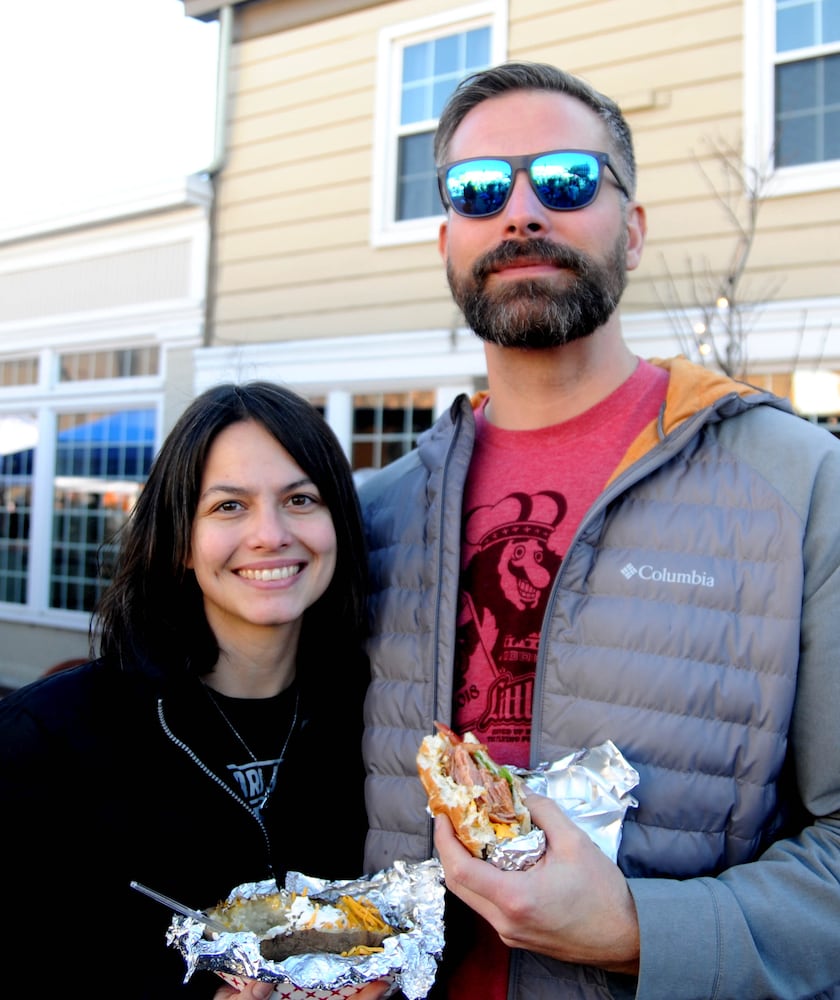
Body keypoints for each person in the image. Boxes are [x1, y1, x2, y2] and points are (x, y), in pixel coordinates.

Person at [357, 61, 840, 999]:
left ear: (635, 227)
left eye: (568, 180)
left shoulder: (797, 483)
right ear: (446, 239)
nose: (523, 212)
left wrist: (637, 932)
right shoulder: (378, 516)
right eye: (480, 189)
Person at [0, 382, 388, 1000]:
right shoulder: (46, 739)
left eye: (300, 499)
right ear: (179, 538)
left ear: (337, 522)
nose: (270, 534)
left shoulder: (376, 723)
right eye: (229, 506)